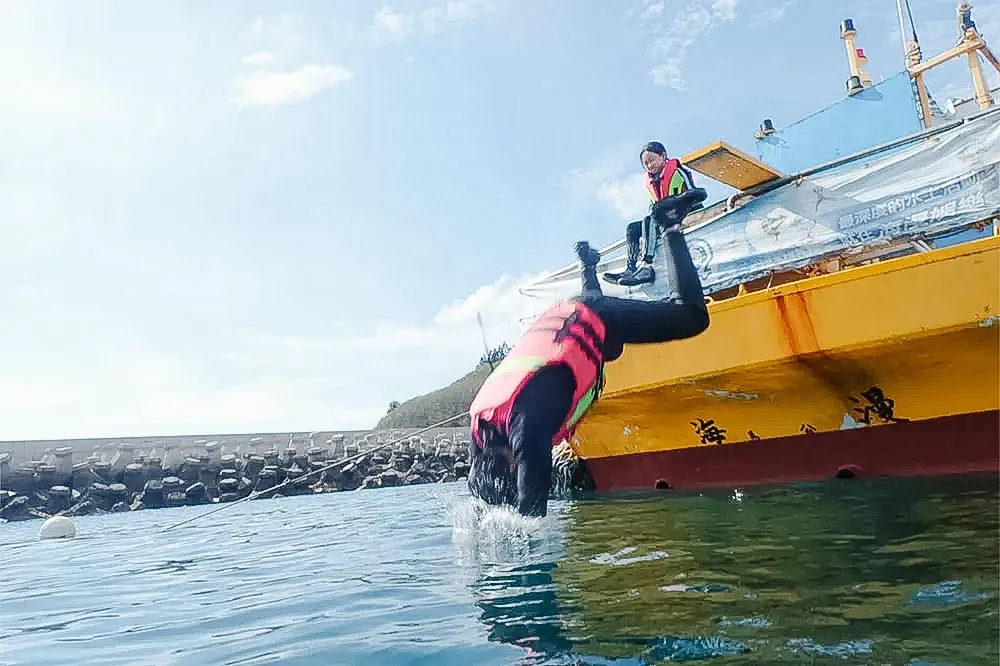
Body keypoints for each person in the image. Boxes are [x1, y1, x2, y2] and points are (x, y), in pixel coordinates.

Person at [466, 187, 711, 517]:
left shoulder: (526, 431)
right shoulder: (483, 432)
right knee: (607, 350)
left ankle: (669, 223)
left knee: (692, 317)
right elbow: (482, 493)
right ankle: (588, 267)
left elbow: (530, 518)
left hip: (594, 315)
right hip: (570, 322)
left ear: (510, 466)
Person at [603, 141, 701, 288]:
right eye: (646, 164)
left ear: (663, 156)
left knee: (650, 219)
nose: (649, 165)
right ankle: (631, 268)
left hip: (683, 213)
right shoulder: (650, 181)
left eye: (651, 160)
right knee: (633, 228)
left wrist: (675, 202)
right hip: (662, 217)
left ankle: (646, 265)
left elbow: (694, 192)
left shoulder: (678, 171)